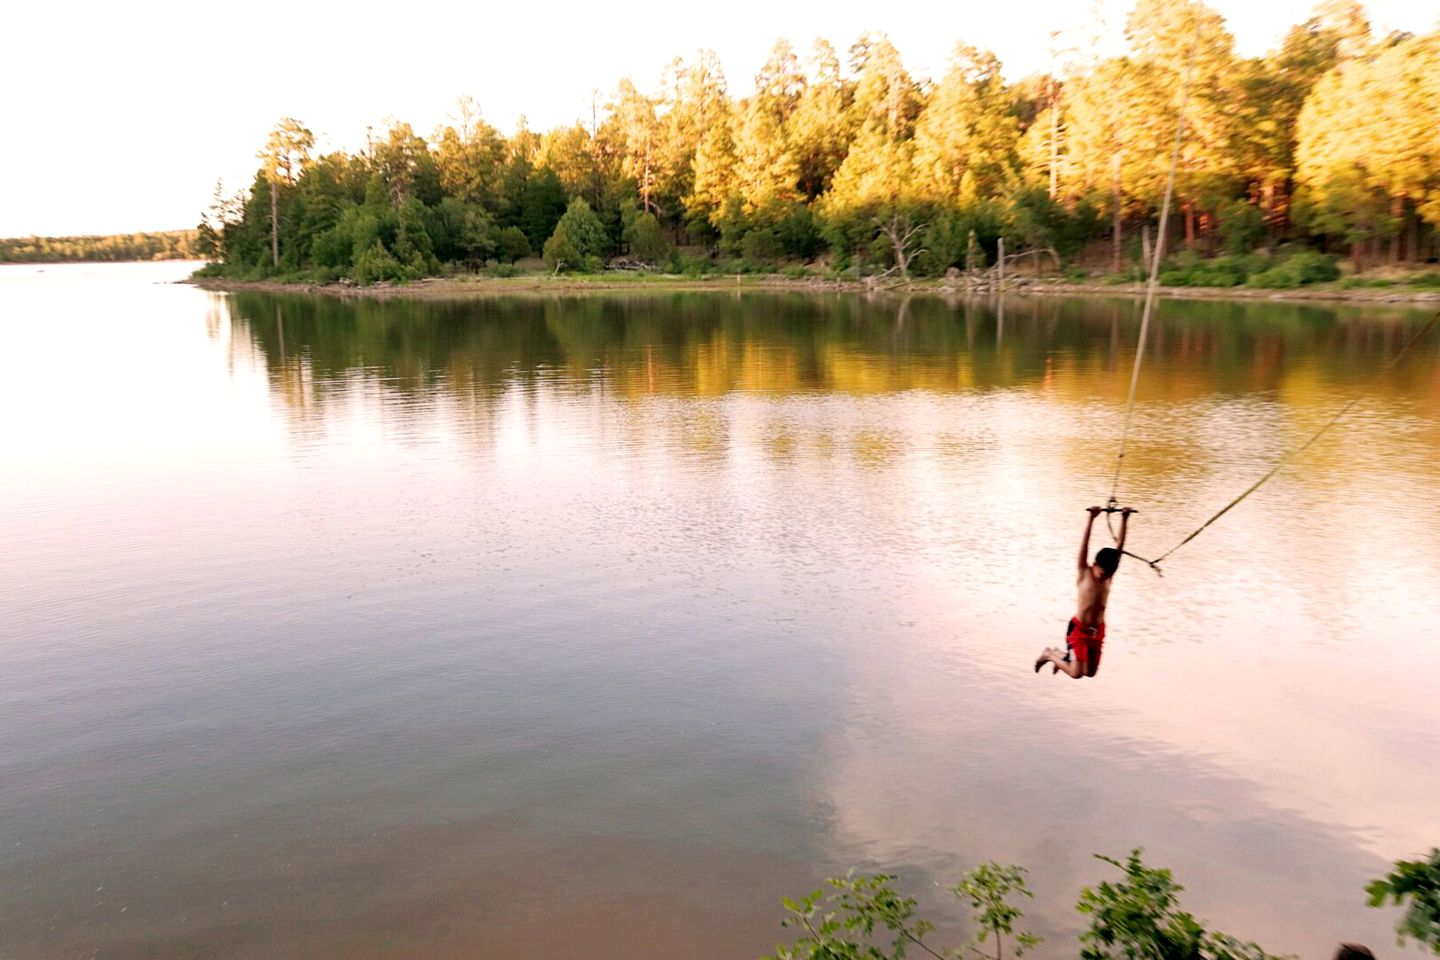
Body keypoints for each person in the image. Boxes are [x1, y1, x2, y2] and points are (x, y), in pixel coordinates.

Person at [1035, 506, 1131, 679]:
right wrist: (1091, 518)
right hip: (1079, 630)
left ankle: (1061, 656)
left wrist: (1125, 519)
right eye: (1103, 572)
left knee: (1090, 673)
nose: (1106, 576)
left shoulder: (1109, 575)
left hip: (1097, 631)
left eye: (1109, 573)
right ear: (1095, 565)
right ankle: (1049, 654)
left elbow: (1120, 549)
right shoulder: (1084, 571)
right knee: (1076, 673)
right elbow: (1084, 545)